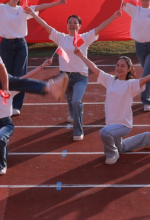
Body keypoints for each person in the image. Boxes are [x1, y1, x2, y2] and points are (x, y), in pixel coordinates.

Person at [29, 7, 121, 141]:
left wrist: (113, 16)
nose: (72, 24)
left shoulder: (85, 38)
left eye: (75, 22)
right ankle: (73, 115)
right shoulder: (61, 38)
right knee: (70, 99)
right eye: (70, 22)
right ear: (67, 25)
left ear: (79, 26)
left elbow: (100, 28)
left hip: (80, 77)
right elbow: (45, 25)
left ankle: (78, 131)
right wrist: (33, 14)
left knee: (76, 101)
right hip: (65, 76)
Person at [74, 47, 150, 164]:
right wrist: (81, 55)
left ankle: (112, 155)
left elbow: (143, 80)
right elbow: (94, 68)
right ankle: (147, 137)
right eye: (118, 65)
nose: (119, 68)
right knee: (120, 147)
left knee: (104, 132)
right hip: (112, 124)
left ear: (129, 69)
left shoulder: (130, 84)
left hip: (123, 125)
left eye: (123, 66)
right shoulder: (110, 80)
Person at [0, 57, 55, 175]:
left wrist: (42, 66)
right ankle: (0, 153)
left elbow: (26, 78)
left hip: (5, 124)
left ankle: (1, 166)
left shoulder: (10, 87)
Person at [104, 0, 150, 111]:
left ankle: (146, 101)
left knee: (145, 75)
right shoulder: (135, 10)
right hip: (140, 47)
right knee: (149, 71)